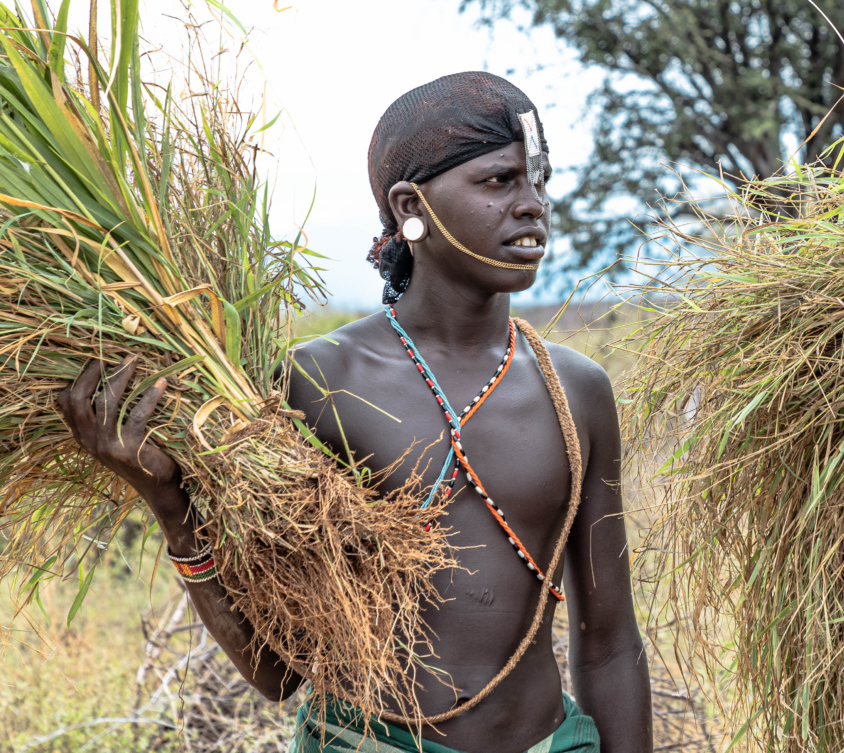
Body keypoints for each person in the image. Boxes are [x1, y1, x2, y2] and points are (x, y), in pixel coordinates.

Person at [57, 72, 652, 753]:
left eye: (538, 181)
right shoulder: (319, 381)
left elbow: (609, 643)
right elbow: (278, 672)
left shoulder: (576, 391)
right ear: (410, 206)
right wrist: (167, 499)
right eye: (499, 182)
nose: (533, 206)